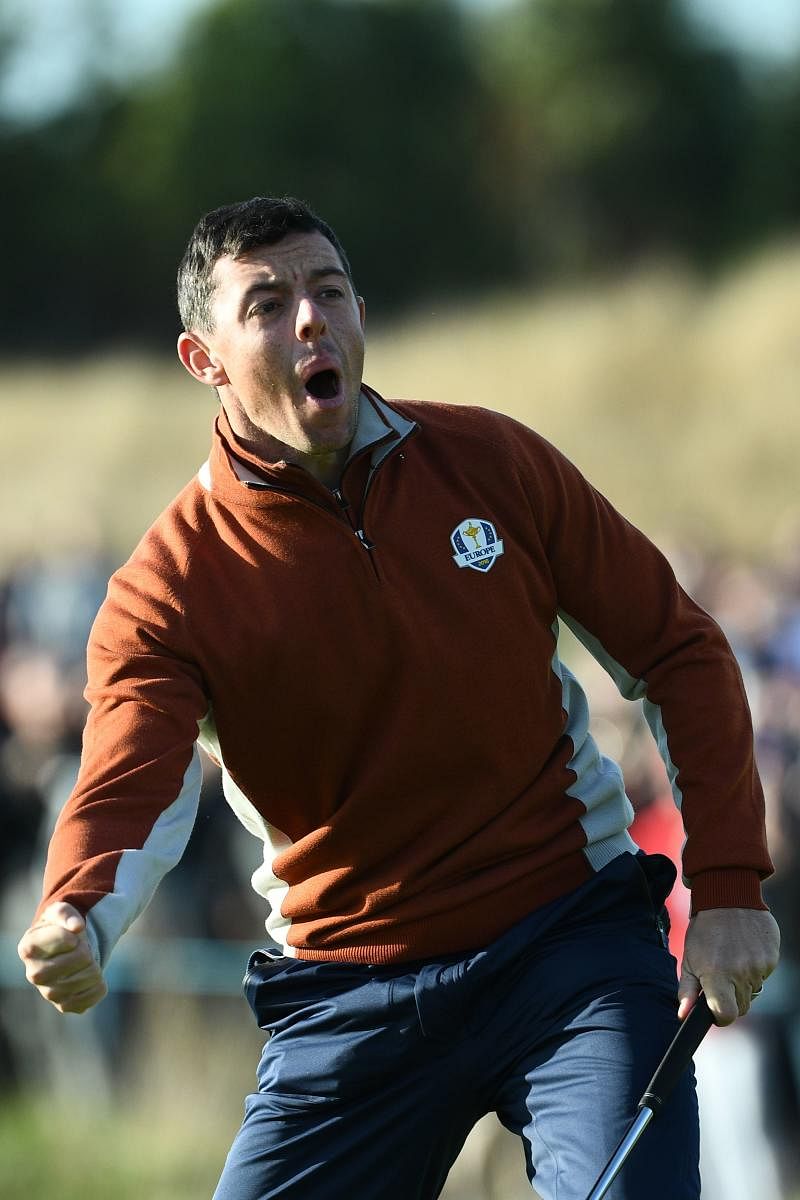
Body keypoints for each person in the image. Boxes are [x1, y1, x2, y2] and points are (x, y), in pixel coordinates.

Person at [18, 196, 780, 1200]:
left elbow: (678, 650)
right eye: (267, 303)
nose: (309, 320)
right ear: (201, 360)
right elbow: (131, 784)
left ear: (360, 315)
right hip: (347, 992)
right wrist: (77, 912)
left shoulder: (494, 462)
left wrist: (726, 886)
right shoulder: (165, 589)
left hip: (571, 947)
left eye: (327, 292)